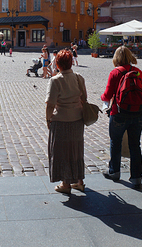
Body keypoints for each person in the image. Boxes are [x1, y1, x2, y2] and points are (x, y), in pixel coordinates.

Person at [101, 45, 142, 187]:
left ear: (116, 58)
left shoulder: (115, 73)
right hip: (139, 114)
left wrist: (102, 98)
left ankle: (114, 171)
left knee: (115, 142)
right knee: (135, 144)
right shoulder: (138, 72)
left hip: (119, 113)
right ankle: (137, 178)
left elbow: (107, 95)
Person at [46, 49, 86, 194]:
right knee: (76, 151)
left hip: (61, 120)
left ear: (57, 64)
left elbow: (50, 104)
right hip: (77, 120)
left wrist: (48, 119)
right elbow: (84, 99)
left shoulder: (55, 80)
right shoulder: (79, 78)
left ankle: (65, 184)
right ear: (70, 63)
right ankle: (79, 181)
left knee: (62, 152)